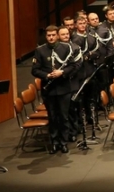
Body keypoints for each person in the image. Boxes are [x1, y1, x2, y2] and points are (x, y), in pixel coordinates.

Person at [32, 25, 81, 154]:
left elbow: (74, 65)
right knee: (52, 117)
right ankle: (54, 142)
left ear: (57, 35)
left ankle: (63, 142)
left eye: (54, 35)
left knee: (64, 117)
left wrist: (62, 72)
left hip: (64, 87)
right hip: (49, 89)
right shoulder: (40, 50)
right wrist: (46, 75)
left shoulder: (66, 48)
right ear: (46, 36)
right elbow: (35, 70)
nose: (51, 37)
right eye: (49, 35)